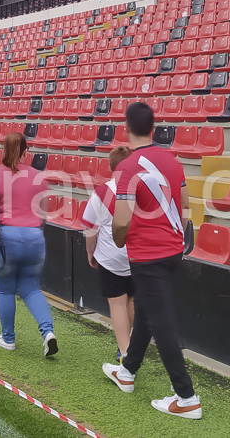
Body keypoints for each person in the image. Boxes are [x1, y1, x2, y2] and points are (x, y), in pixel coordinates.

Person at [102, 101, 201, 420]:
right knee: (146, 311)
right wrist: (180, 234)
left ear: (126, 129)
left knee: (162, 322)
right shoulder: (172, 161)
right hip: (172, 250)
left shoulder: (128, 167)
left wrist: (120, 240)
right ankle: (127, 371)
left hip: (147, 254)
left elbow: (120, 221)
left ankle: (186, 398)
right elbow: (185, 204)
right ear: (154, 129)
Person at [0, 132, 58, 357]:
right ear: (26, 152)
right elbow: (43, 213)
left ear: (4, 151)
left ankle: (8, 338)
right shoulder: (39, 177)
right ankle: (48, 332)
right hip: (35, 238)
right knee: (32, 288)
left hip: (6, 239)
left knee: (5, 290)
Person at [82, 146, 133, 363]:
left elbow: (90, 228)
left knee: (118, 304)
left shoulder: (102, 192)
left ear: (112, 167)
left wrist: (89, 251)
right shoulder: (143, 190)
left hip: (112, 257)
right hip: (137, 256)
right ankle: (128, 344)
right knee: (131, 301)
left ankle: (126, 352)